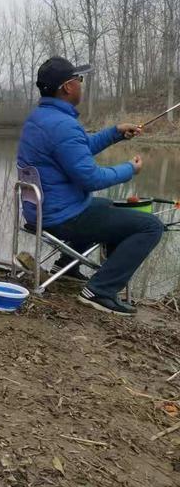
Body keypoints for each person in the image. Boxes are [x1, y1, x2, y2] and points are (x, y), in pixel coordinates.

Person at [17, 56, 164, 316]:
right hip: (61, 216)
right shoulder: (62, 125)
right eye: (79, 79)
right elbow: (91, 178)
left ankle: (67, 266)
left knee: (106, 205)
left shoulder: (41, 118)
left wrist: (115, 132)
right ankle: (101, 290)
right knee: (150, 227)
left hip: (40, 209)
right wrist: (130, 168)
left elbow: (79, 149)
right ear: (67, 87)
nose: (82, 85)